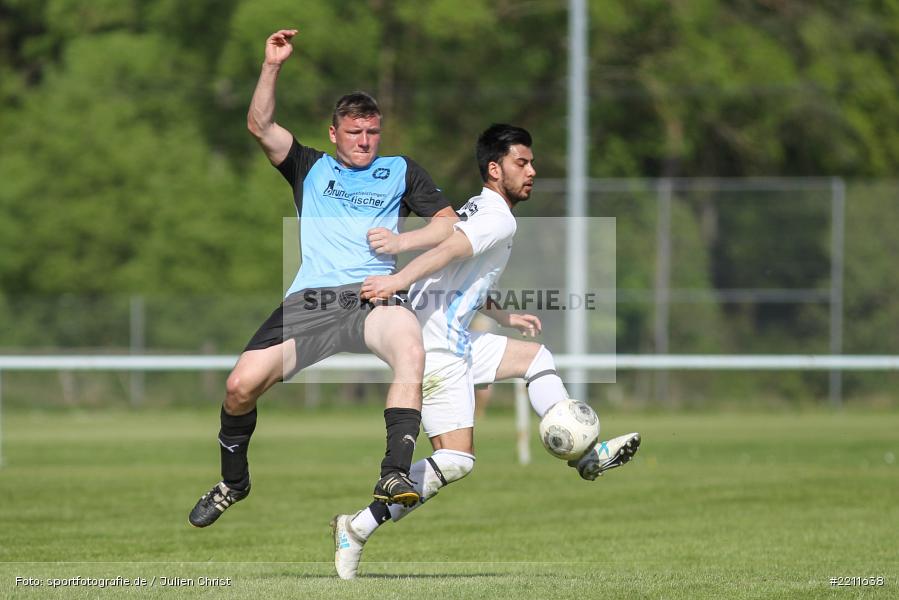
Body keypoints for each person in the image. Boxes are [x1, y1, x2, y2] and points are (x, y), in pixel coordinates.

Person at [330, 124, 640, 579]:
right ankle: (357, 527)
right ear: (495, 169)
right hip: (436, 346)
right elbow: (447, 251)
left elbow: (462, 272)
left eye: (532, 163)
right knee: (457, 460)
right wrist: (396, 280)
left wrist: (503, 316)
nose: (532, 171)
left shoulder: (478, 207)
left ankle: (584, 456)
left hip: (450, 335)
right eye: (521, 163)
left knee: (536, 358)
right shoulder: (498, 219)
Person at [188, 29, 458, 528]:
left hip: (372, 295)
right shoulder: (309, 167)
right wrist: (272, 65)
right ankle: (233, 483)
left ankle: (394, 474)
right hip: (311, 301)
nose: (364, 141)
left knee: (410, 347)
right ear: (334, 134)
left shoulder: (400, 170)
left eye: (372, 132)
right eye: (354, 132)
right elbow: (259, 124)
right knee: (239, 386)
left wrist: (401, 245)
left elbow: (448, 225)